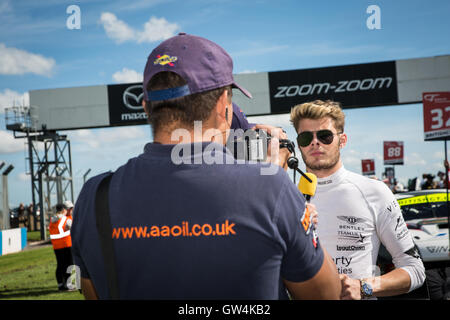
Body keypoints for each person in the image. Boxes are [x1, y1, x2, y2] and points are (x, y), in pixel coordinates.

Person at [71, 33, 341, 300]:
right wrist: (285, 198)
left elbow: (93, 292)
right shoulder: (270, 188)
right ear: (224, 104)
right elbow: (326, 293)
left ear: (145, 106)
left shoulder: (95, 196)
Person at [290, 99, 425, 299]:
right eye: (306, 137)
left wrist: (363, 287)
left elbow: (415, 269)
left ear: (342, 141)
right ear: (298, 144)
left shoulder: (375, 192)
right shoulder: (285, 197)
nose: (315, 142)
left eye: (325, 136)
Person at [49, 203, 74, 291]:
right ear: (64, 210)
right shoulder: (67, 219)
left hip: (56, 246)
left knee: (60, 265)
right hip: (67, 245)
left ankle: (60, 285)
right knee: (69, 264)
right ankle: (68, 284)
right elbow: (73, 229)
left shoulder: (52, 220)